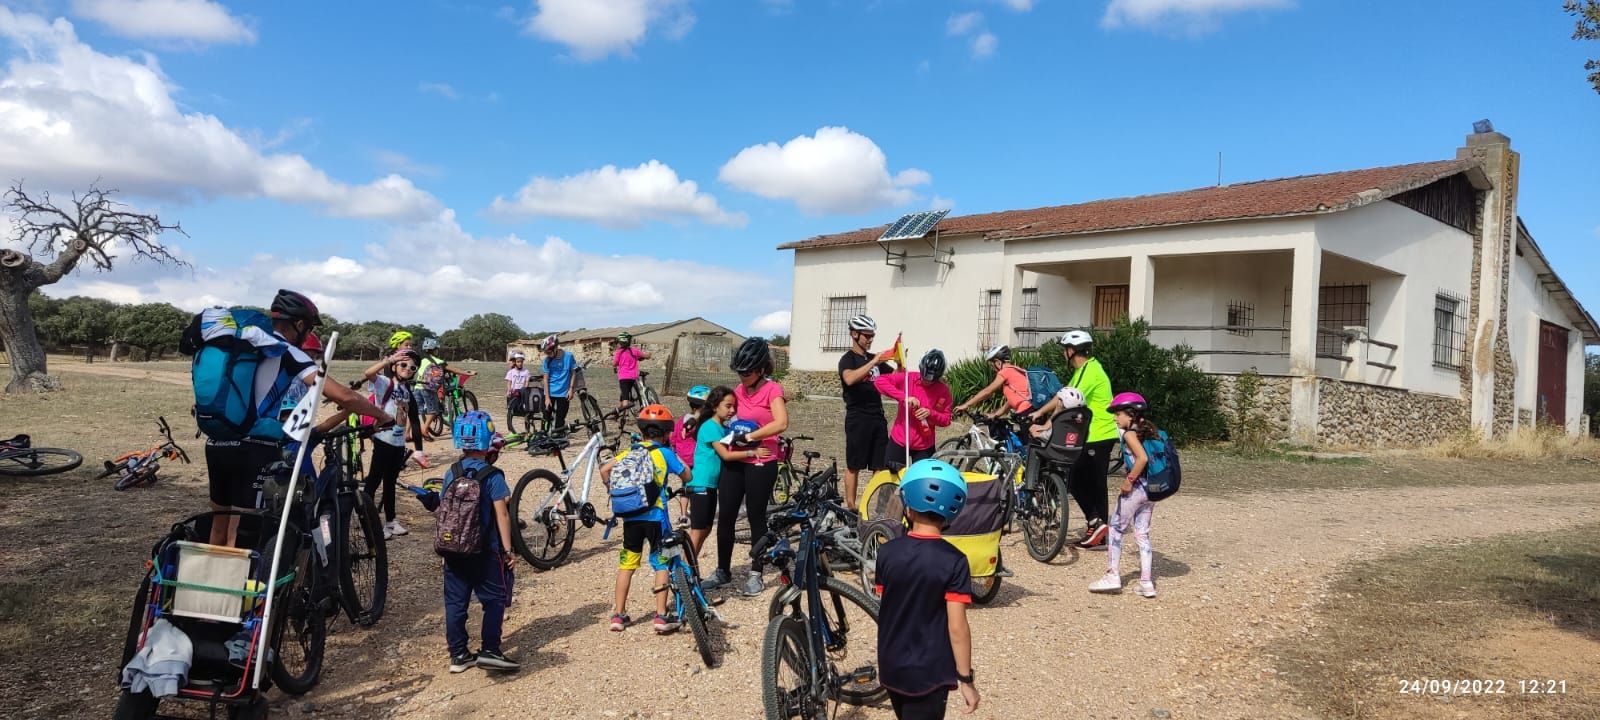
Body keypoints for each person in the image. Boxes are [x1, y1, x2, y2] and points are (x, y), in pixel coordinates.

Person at [202, 290, 394, 547]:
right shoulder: (287, 351)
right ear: (300, 324)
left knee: (220, 524)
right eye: (309, 327)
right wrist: (381, 415)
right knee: (242, 532)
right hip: (254, 448)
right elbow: (344, 396)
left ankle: (208, 582)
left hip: (218, 442)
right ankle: (240, 586)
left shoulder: (246, 345)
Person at [413, 412, 519, 672]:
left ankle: (458, 655)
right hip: (485, 550)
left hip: (453, 549)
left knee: (455, 602)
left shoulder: (452, 471)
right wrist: (508, 550)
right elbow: (501, 514)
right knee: (494, 598)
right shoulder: (493, 476)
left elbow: (445, 508)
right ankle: (490, 650)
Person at [874, 459, 981, 719]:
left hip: (891, 665)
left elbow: (885, 600)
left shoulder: (886, 552)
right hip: (928, 673)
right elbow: (957, 627)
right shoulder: (954, 560)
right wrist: (966, 679)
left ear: (908, 506)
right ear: (952, 511)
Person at [600, 404, 691, 633]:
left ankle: (618, 615)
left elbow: (604, 470)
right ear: (667, 433)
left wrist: (612, 489)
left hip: (630, 517)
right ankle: (661, 616)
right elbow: (687, 475)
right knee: (663, 561)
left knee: (627, 564)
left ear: (641, 432)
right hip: (655, 516)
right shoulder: (665, 453)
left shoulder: (629, 452)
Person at [712, 337, 786, 596]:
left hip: (761, 461)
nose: (743, 377)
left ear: (762, 369)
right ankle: (722, 570)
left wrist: (752, 438)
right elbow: (724, 414)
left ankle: (756, 572)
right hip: (737, 459)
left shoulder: (772, 390)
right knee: (727, 516)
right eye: (740, 372)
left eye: (748, 372)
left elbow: (781, 423)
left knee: (756, 517)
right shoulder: (739, 390)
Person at [1089, 392, 1161, 598]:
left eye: (1117, 413)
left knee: (1116, 529)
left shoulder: (1131, 434)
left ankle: (1112, 576)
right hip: (1151, 490)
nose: (1114, 418)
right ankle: (1146, 583)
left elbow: (1142, 459)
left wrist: (1128, 482)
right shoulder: (1149, 431)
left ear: (1130, 414)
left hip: (1136, 488)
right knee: (1142, 533)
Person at [1055, 330, 1116, 549]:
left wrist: (1044, 421)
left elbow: (1065, 399)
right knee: (1096, 483)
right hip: (1099, 433)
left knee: (1076, 478)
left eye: (1065, 350)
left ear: (1071, 351)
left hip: (1097, 433)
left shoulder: (1088, 370)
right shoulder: (1088, 369)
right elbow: (1063, 394)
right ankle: (1099, 531)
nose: (1064, 354)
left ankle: (1095, 522)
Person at [838, 315, 895, 507]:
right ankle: (851, 507)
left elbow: (896, 377)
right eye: (866, 336)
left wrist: (900, 360)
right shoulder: (848, 359)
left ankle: (870, 506)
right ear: (854, 334)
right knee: (854, 465)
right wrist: (873, 363)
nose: (870, 340)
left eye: (872, 336)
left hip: (877, 417)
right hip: (857, 418)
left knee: (879, 465)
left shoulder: (875, 359)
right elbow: (849, 379)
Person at [363, 348, 417, 539]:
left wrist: (408, 435)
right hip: (383, 439)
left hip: (398, 443)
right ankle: (367, 522)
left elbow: (406, 415)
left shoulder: (406, 390)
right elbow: (369, 373)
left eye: (412, 367)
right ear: (394, 367)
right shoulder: (385, 383)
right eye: (403, 365)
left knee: (390, 483)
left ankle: (390, 521)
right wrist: (389, 360)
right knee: (373, 481)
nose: (408, 369)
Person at [874, 349, 954, 470]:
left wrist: (930, 413)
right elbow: (879, 381)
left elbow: (946, 419)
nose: (926, 381)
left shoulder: (943, 391)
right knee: (889, 482)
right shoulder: (908, 378)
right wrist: (903, 397)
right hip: (899, 440)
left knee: (923, 483)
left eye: (930, 380)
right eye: (924, 376)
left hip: (924, 445)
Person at [687, 386, 737, 564]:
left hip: (711, 485)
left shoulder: (720, 427)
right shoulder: (710, 427)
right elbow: (725, 455)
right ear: (715, 406)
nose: (732, 410)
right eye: (728, 406)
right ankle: (684, 574)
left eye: (734, 407)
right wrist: (752, 453)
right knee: (697, 530)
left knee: (706, 529)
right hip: (701, 483)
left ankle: (690, 568)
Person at [417, 337, 477, 440]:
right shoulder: (438, 361)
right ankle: (424, 430)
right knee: (433, 411)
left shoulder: (423, 361)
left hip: (417, 386)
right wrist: (468, 373)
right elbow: (453, 369)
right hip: (428, 388)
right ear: (435, 349)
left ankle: (408, 434)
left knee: (416, 411)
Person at [953, 345, 1032, 420]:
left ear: (998, 362)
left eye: (992, 364)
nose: (992, 368)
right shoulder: (1017, 370)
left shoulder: (1005, 372)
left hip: (1026, 409)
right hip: (1031, 408)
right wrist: (995, 415)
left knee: (1029, 433)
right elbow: (1011, 402)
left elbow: (987, 391)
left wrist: (966, 405)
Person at [540, 336, 579, 430]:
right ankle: (544, 437)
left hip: (564, 394)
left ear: (555, 348)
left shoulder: (569, 356)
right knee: (546, 418)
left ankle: (558, 437)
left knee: (560, 419)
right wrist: (547, 397)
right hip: (550, 392)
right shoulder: (547, 361)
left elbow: (573, 373)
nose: (547, 355)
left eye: (549, 352)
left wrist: (571, 389)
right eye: (546, 353)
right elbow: (545, 379)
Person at [612, 331, 652, 412]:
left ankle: (625, 415)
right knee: (625, 392)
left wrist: (615, 366)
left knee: (625, 395)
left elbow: (614, 363)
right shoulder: (634, 350)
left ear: (620, 342)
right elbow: (644, 356)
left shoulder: (618, 352)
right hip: (633, 376)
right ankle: (621, 409)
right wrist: (649, 354)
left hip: (623, 377)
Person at [505, 351, 531, 423]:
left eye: (521, 362)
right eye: (518, 362)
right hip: (514, 392)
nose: (520, 363)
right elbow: (509, 382)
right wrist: (509, 390)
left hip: (522, 391)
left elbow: (526, 382)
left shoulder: (526, 372)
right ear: (515, 362)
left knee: (526, 409)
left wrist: (524, 389)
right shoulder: (511, 372)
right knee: (510, 407)